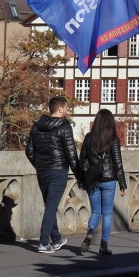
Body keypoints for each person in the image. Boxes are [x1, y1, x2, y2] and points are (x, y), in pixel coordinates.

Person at [24, 96, 79, 254]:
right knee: (51, 206)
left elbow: (29, 151)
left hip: (42, 171)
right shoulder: (64, 126)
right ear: (61, 109)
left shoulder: (37, 125)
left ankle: (56, 239)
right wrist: (79, 175)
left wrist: (39, 165)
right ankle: (43, 242)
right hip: (58, 170)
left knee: (50, 205)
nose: (67, 111)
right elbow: (71, 154)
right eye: (66, 108)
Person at [79, 108, 127, 256]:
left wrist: (84, 177)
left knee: (95, 211)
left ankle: (90, 232)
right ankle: (103, 246)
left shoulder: (88, 137)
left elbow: (82, 161)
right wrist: (122, 184)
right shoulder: (113, 139)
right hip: (109, 179)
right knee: (106, 214)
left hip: (93, 179)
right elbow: (118, 163)